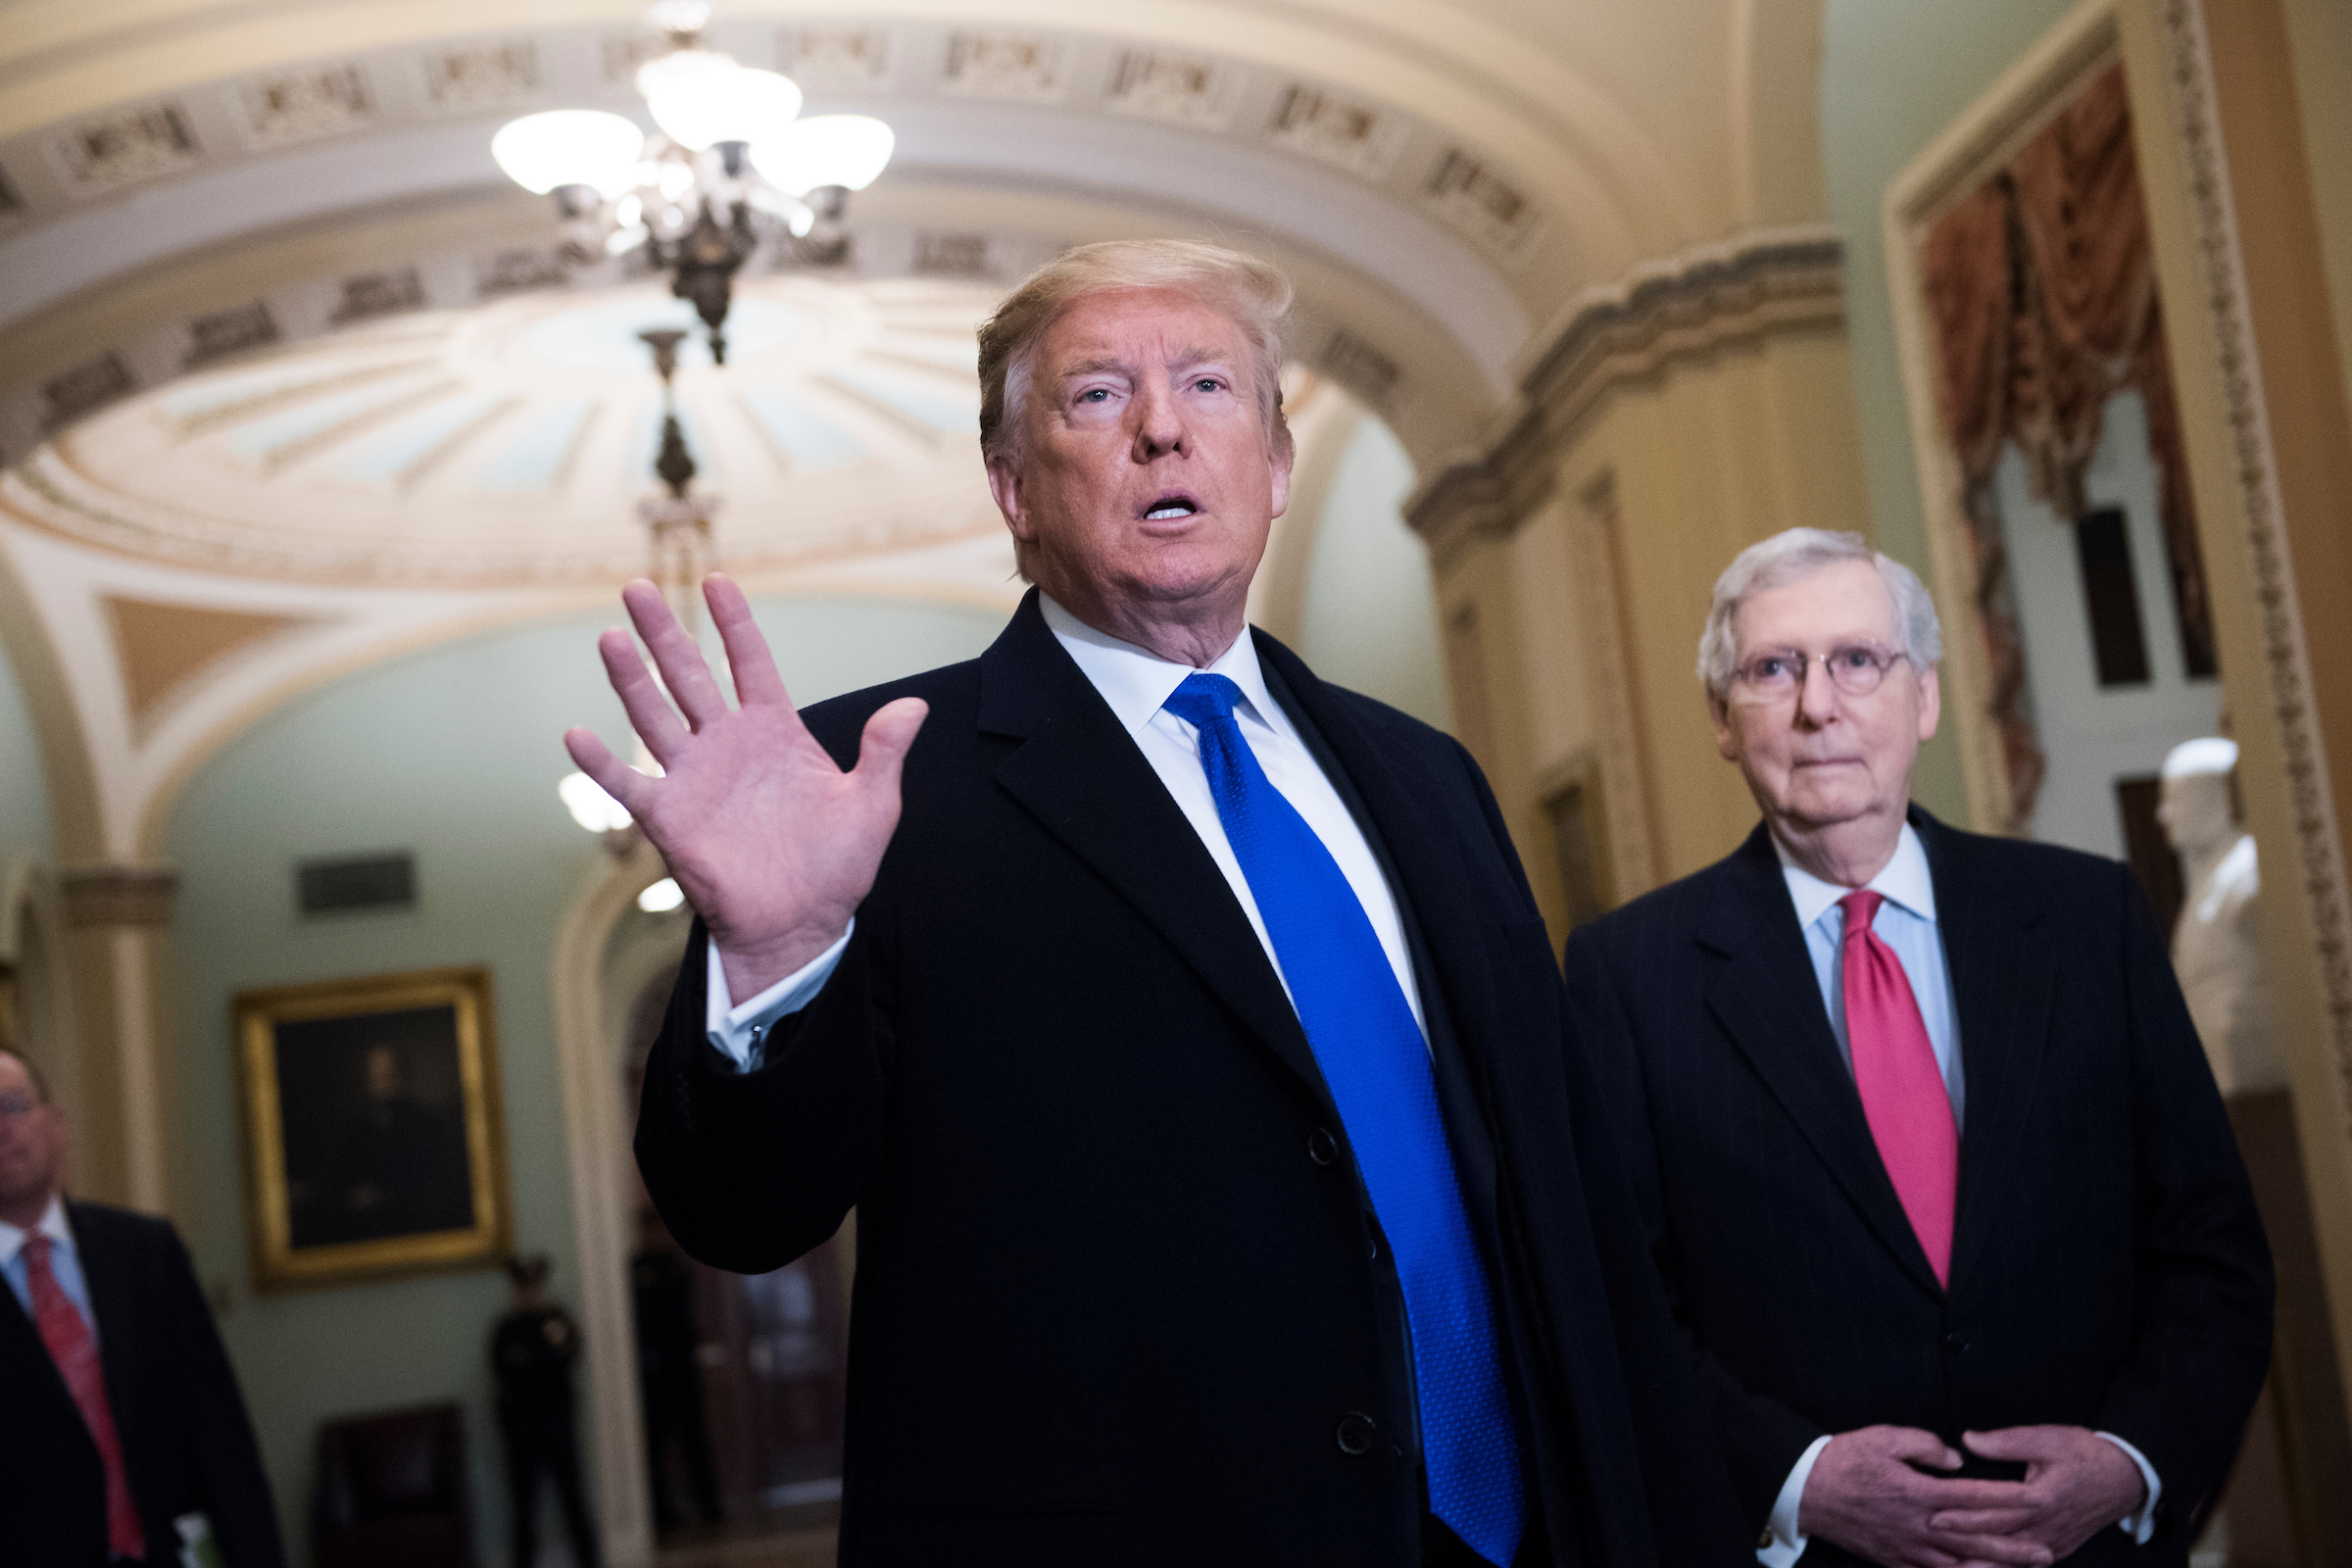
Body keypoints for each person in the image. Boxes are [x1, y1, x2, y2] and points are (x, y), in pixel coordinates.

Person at [571, 239, 1743, 1565]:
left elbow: (1559, 1189)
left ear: (1279, 464)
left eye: (1208, 387)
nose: (1161, 431)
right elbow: (744, 1214)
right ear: (1014, 489)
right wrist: (779, 954)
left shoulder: (1426, 775)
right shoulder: (876, 784)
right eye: (1095, 397)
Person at [1563, 528, 2274, 1567]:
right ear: (1723, 719)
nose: (1820, 706)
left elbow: (2213, 1254)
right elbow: (1621, 1303)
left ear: (1925, 698)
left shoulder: (2088, 918)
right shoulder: (1628, 976)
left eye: (1858, 660)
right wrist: (1796, 1478)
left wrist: (2131, 1458)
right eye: (1773, 669)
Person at [0, 1046, 286, 1567]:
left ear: (55, 1124)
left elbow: (221, 1436)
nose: (2, 1128)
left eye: (13, 1105)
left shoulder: (146, 1252)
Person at [491, 1254, 601, 1568]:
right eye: (522, 1288)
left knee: (573, 1501)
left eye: (533, 1287)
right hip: (521, 1432)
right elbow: (508, 1369)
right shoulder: (506, 1329)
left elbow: (562, 1359)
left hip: (557, 1426)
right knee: (524, 1511)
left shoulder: (557, 1321)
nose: (528, 1294)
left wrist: (537, 1360)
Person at [630, 1212, 723, 1533]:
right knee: (653, 1446)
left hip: (680, 1369)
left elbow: (681, 1319)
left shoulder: (677, 1266)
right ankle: (661, 1514)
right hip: (651, 1374)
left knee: (693, 1440)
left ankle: (710, 1507)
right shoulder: (635, 1269)